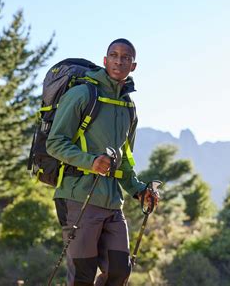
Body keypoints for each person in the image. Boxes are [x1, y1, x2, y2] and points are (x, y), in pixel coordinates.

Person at [46, 38, 159, 286]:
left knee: (119, 271)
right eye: (114, 55)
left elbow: (125, 159)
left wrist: (139, 191)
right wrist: (90, 162)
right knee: (82, 278)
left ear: (134, 65)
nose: (119, 60)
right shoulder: (82, 95)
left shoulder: (129, 106)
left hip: (112, 202)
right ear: (105, 60)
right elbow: (54, 143)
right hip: (78, 197)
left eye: (126, 57)